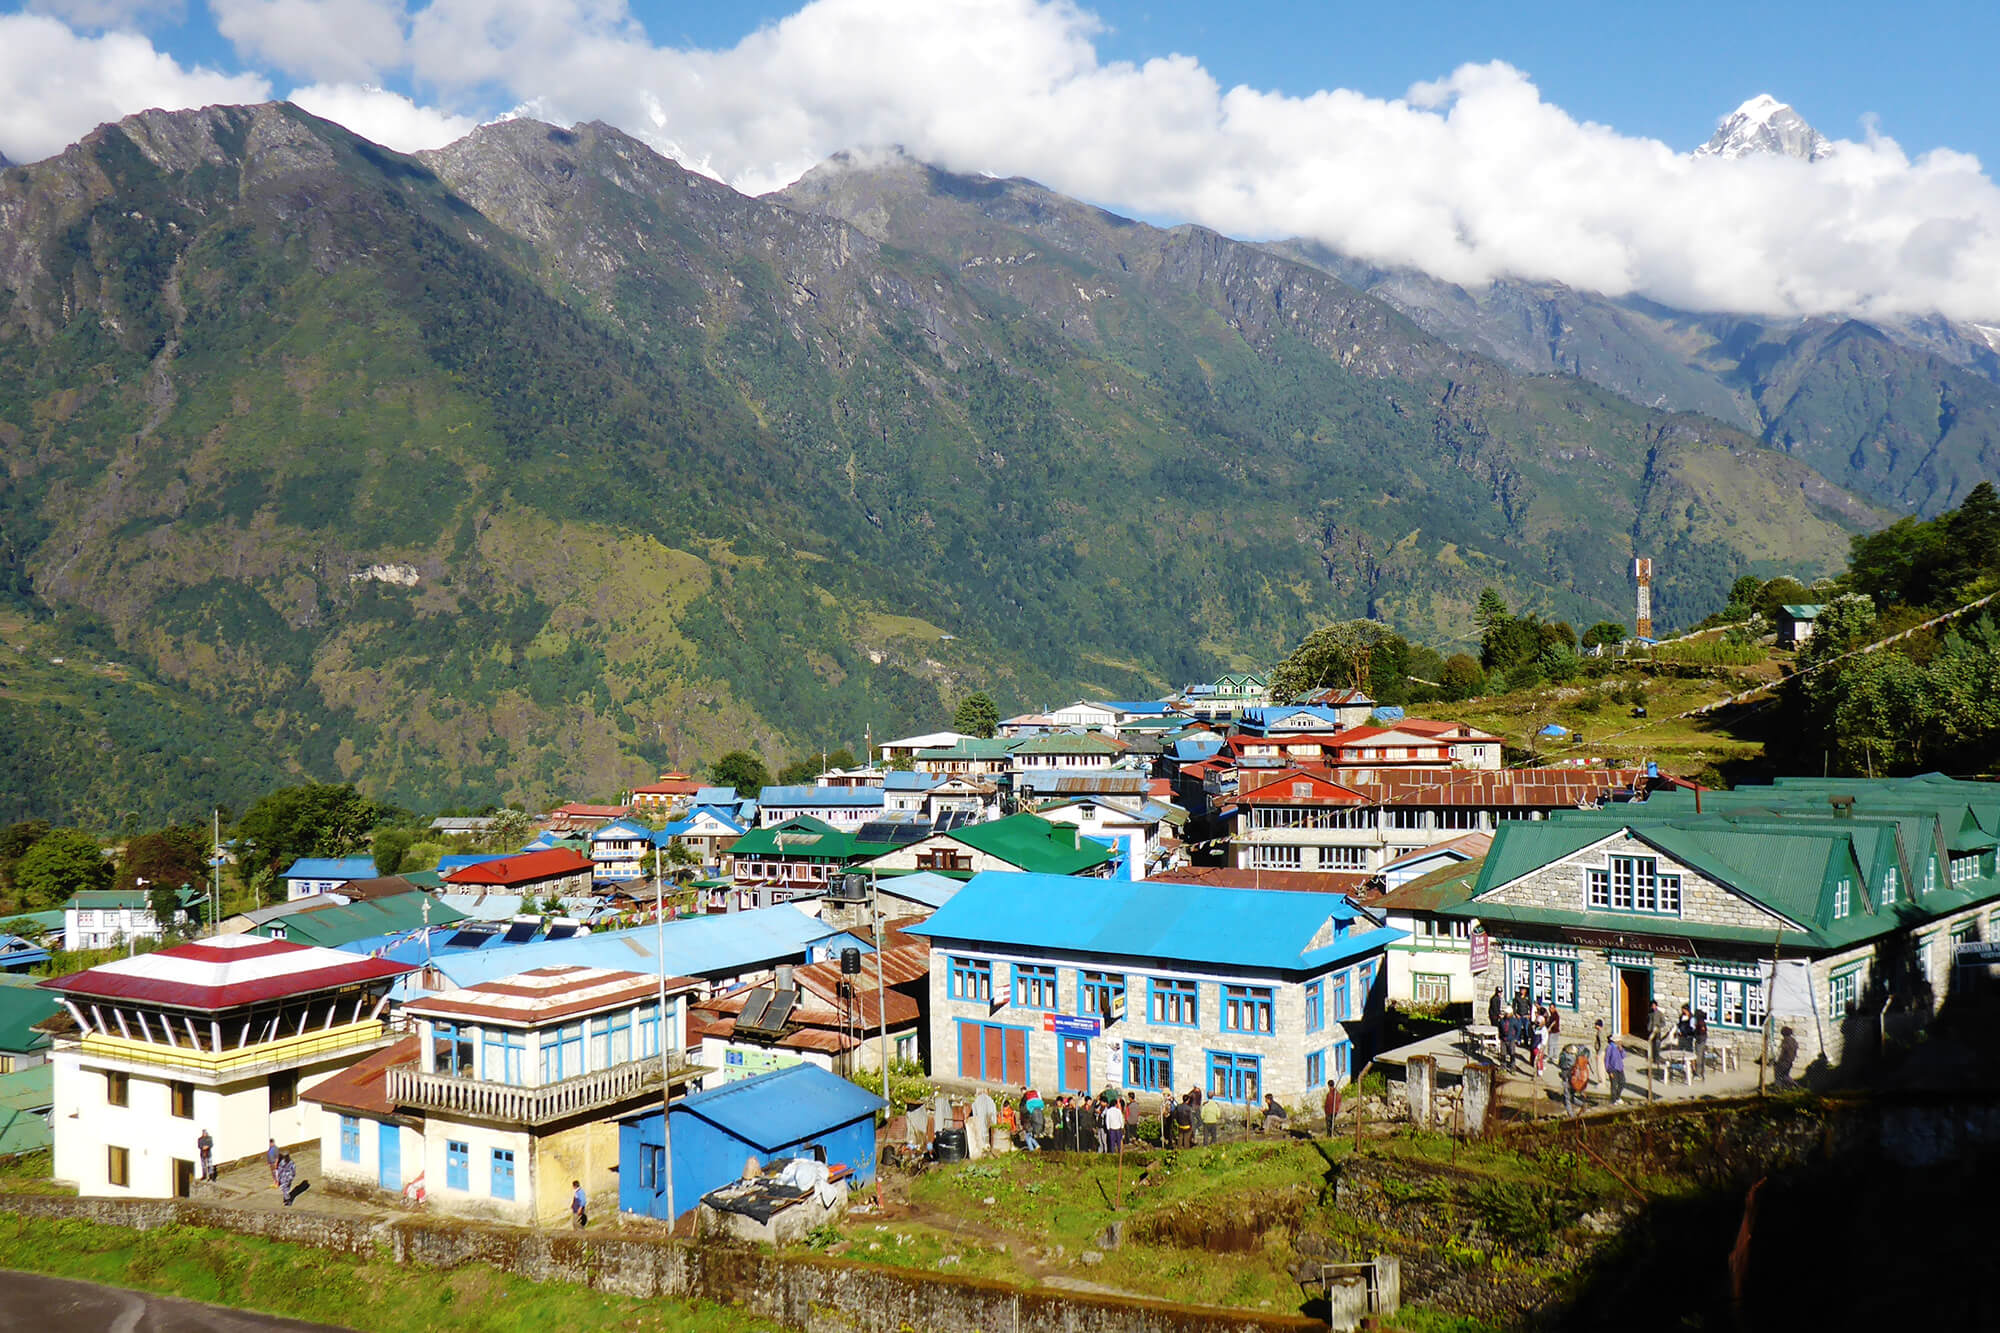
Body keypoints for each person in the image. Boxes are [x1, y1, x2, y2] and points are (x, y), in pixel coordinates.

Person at [1564, 1047, 1591, 1118]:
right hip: (1579, 1083)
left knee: (1567, 1098)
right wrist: (1583, 1090)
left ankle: (1571, 1115)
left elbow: (1566, 1069)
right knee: (1571, 1097)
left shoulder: (1570, 1059)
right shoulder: (1583, 1062)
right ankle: (1582, 1104)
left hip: (1570, 1080)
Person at [1604, 1036, 1627, 1104]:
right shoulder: (1610, 1048)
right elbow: (1607, 1059)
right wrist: (1609, 1070)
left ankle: (1618, 1096)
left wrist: (1621, 1049)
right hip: (1612, 1069)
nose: (1620, 1042)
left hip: (1620, 1068)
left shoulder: (1619, 1048)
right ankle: (1613, 1100)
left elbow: (1623, 1056)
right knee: (1614, 1085)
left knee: (1622, 1082)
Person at [1648, 1001, 1669, 1066]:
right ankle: (1652, 1058)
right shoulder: (1650, 1013)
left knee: (1657, 1046)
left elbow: (1663, 1023)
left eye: (1654, 1005)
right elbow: (1649, 1021)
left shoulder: (1660, 1013)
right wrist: (1648, 1028)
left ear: (1656, 1006)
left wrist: (1658, 1026)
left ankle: (1657, 1059)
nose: (1653, 1007)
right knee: (1652, 1045)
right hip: (1651, 1031)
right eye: (1652, 1006)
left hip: (1657, 1032)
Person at [1693, 1008, 1710, 1081]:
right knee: (1701, 1056)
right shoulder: (1701, 1022)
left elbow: (1702, 1031)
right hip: (1702, 1040)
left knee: (1699, 1057)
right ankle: (1701, 1072)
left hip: (1700, 1040)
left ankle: (1698, 1073)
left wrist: (1697, 1035)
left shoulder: (1700, 1022)